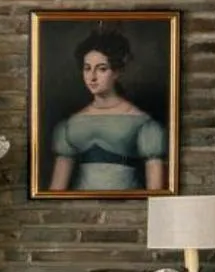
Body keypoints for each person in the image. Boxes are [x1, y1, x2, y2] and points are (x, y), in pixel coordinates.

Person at [48, 29, 166, 192]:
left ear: (117, 72)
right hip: (79, 210)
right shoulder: (71, 124)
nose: (92, 77)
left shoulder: (141, 123)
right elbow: (56, 190)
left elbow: (156, 192)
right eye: (87, 68)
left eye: (102, 69)